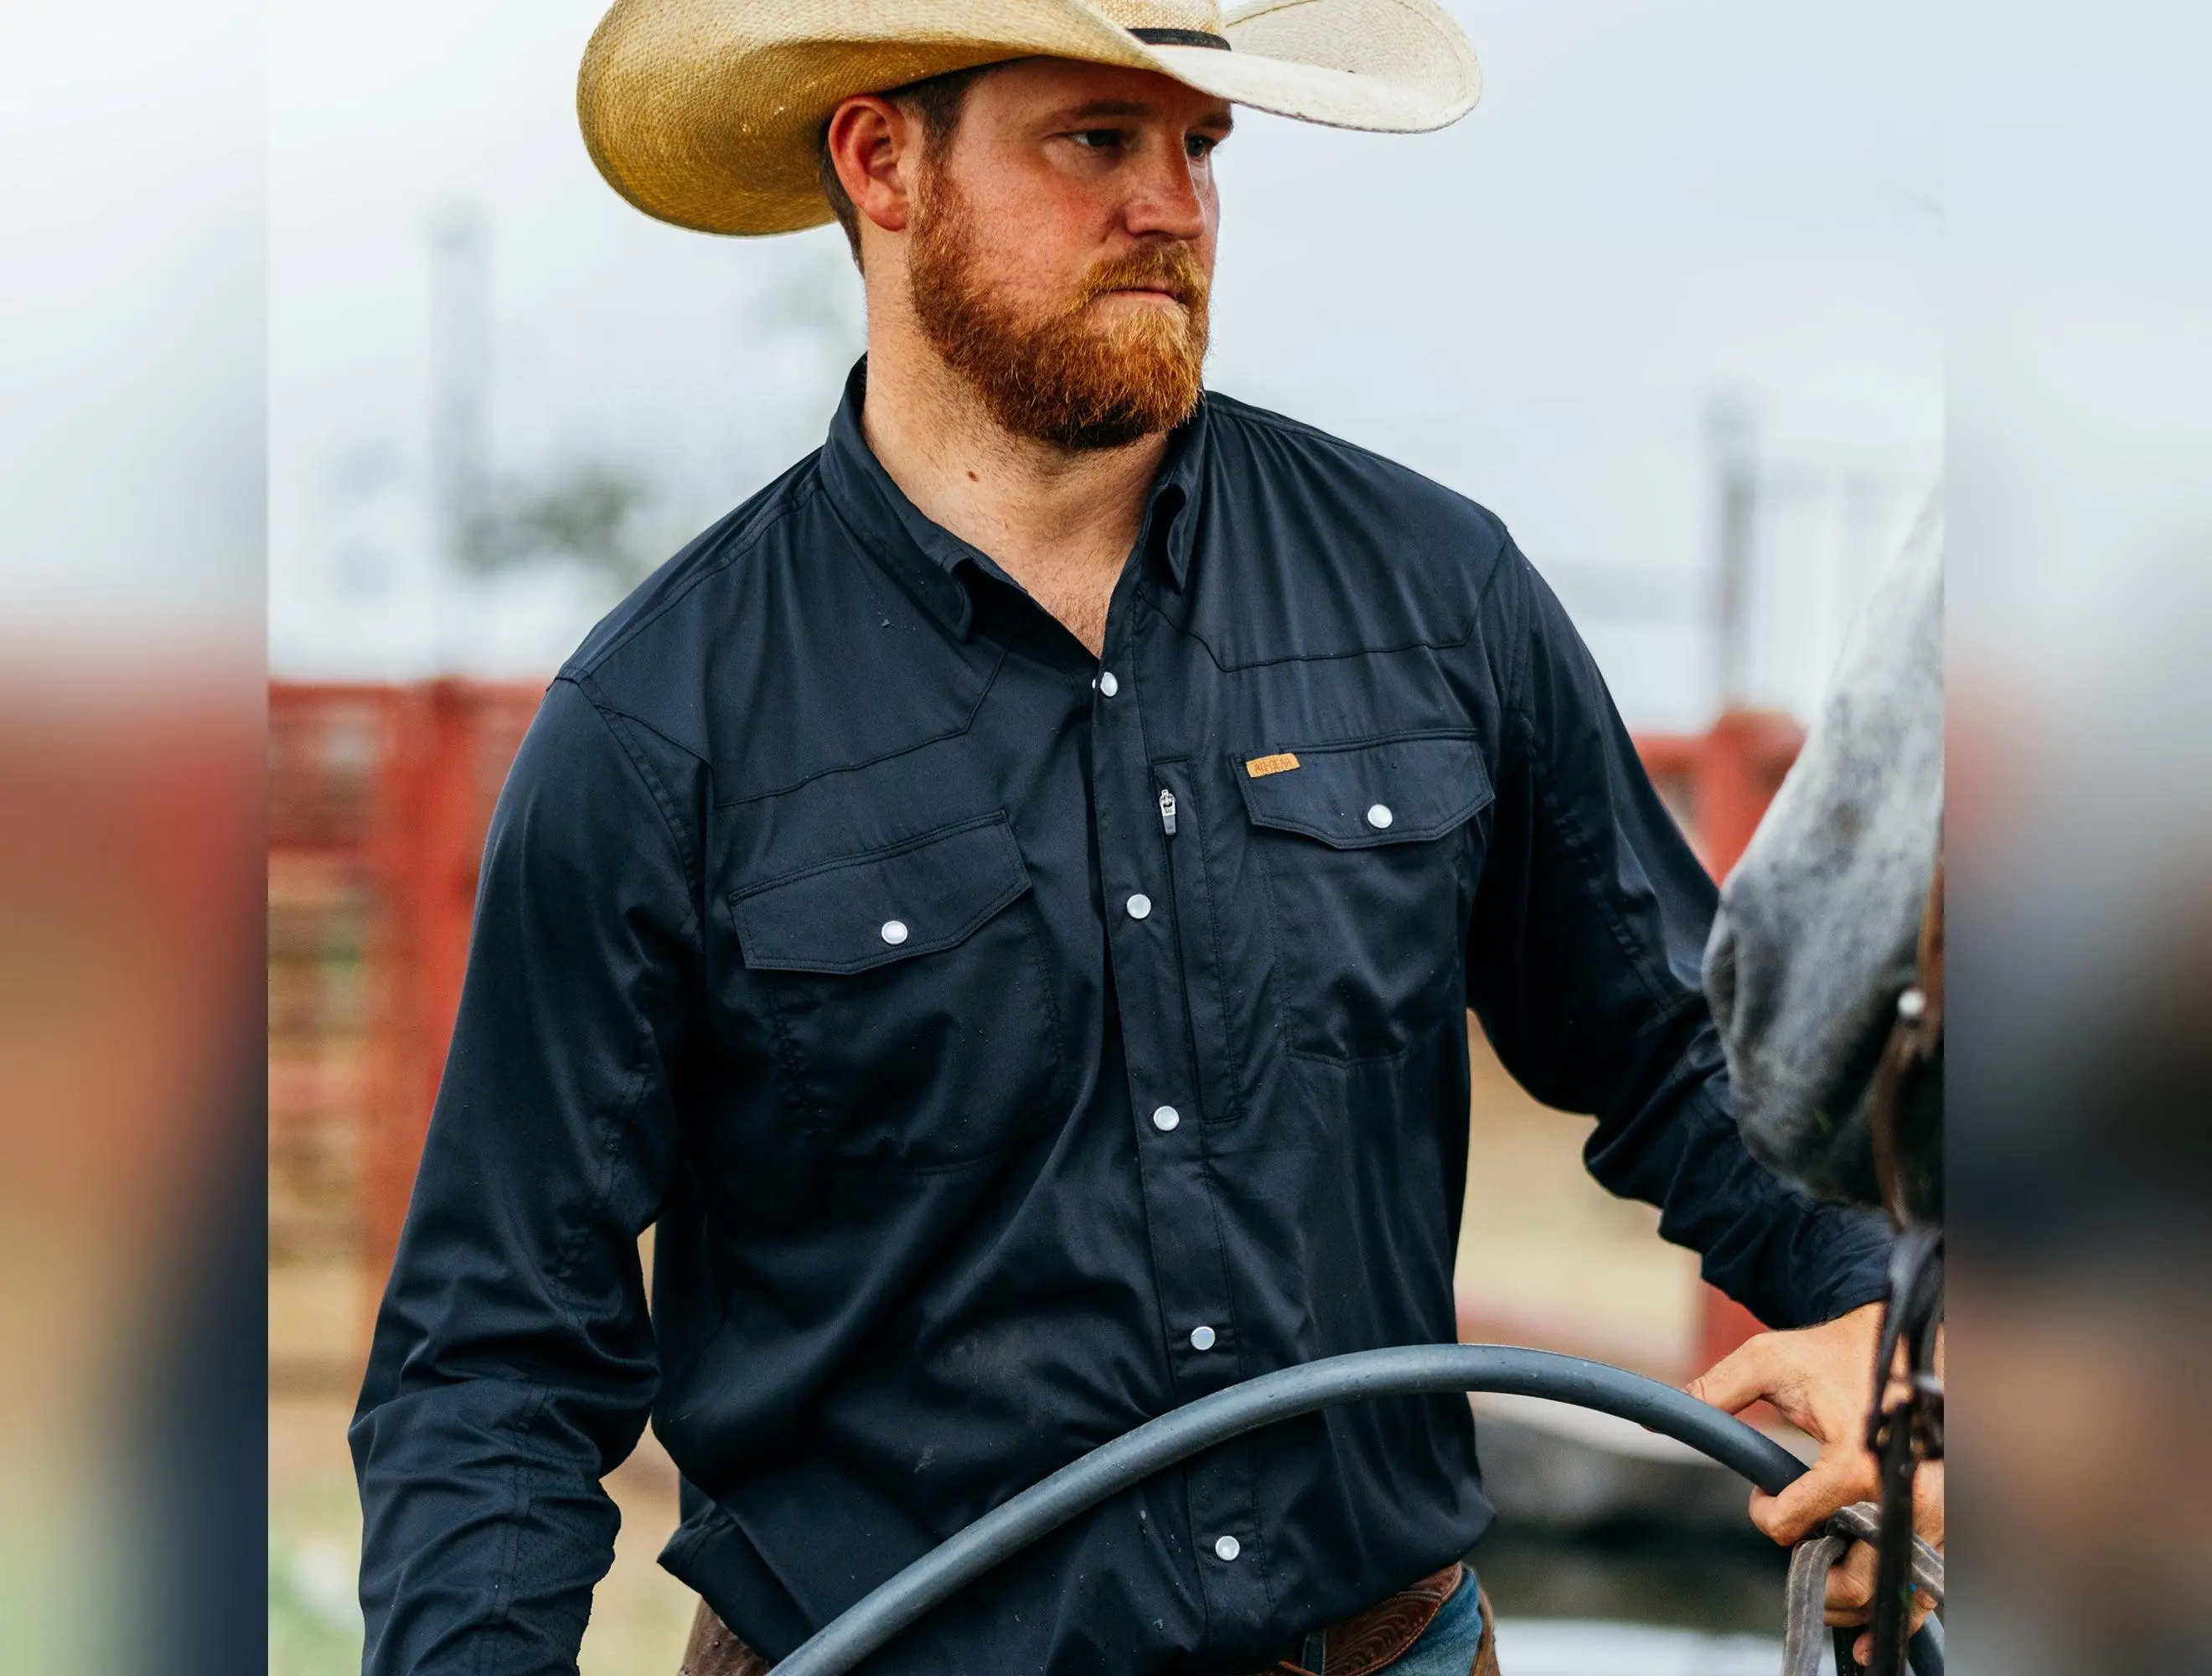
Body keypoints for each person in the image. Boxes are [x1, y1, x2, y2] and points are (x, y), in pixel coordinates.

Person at [350, 3, 1938, 1672]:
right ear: (882, 163)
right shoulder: (659, 726)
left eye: (1201, 145)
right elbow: (499, 1355)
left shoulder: (1436, 599)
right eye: (1096, 140)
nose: (1174, 204)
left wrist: (1892, 1343)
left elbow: (1691, 1060)